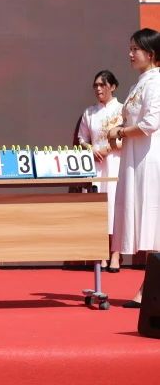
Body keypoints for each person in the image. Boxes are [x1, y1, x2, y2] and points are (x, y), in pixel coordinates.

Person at [108, 28, 160, 308]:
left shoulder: (156, 82)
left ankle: (147, 291)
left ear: (150, 54)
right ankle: (148, 290)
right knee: (150, 228)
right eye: (130, 48)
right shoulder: (138, 85)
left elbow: (151, 123)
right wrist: (119, 131)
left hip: (150, 163)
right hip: (135, 161)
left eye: (135, 49)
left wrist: (121, 131)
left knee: (154, 225)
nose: (130, 54)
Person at [76, 69, 122, 272]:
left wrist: (107, 149)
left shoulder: (122, 110)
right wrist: (92, 149)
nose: (98, 89)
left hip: (116, 163)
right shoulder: (89, 112)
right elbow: (82, 139)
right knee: (99, 208)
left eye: (102, 85)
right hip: (96, 165)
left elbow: (127, 138)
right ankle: (101, 254)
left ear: (113, 86)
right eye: (95, 85)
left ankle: (116, 254)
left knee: (116, 208)